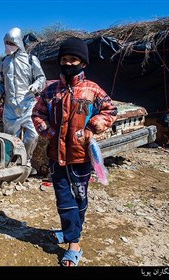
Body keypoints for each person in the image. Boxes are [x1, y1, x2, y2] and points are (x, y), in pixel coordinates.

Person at [31, 37, 117, 266]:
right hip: (55, 156)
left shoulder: (93, 90)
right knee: (63, 199)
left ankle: (71, 233)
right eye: (65, 60)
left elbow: (111, 110)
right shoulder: (50, 91)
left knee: (79, 197)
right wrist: (48, 132)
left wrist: (93, 126)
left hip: (81, 156)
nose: (68, 64)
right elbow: (37, 114)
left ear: (83, 63)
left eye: (73, 59)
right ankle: (73, 243)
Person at [0, 27, 46, 175]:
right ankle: (12, 166)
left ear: (18, 42)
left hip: (28, 104)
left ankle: (26, 161)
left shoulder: (30, 59)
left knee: (32, 135)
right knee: (11, 138)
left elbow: (41, 78)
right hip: (10, 107)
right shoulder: (4, 62)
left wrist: (36, 85)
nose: (7, 45)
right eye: (6, 42)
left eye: (11, 42)